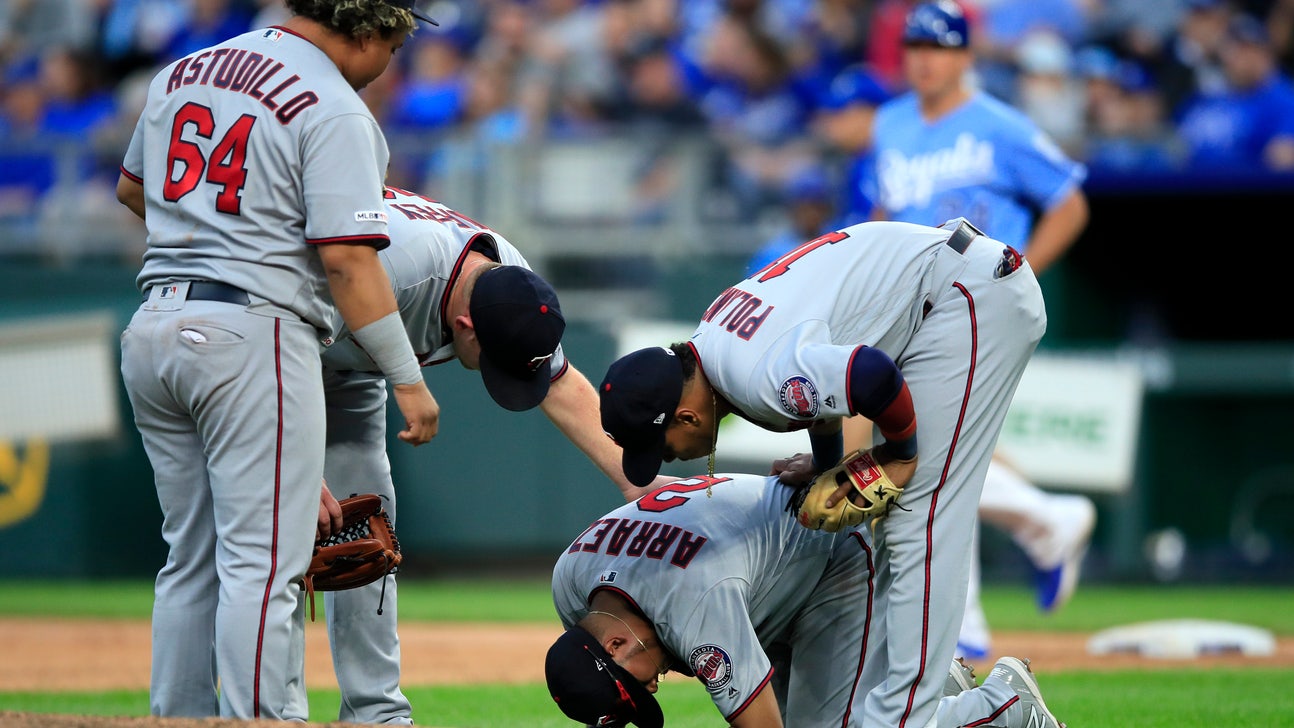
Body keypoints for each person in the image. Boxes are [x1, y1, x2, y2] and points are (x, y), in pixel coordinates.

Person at [114, 1, 440, 719]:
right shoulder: (333, 106)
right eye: (392, 43)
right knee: (264, 565)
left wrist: (209, 240)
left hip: (154, 326)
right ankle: (266, 720)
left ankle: (181, 717)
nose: (389, 64)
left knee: (191, 559)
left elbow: (133, 189)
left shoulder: (182, 71)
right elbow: (350, 261)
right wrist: (408, 380)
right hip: (249, 333)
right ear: (364, 31)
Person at [599, 215, 1048, 727]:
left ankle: (917, 715)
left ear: (686, 416)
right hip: (944, 287)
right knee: (892, 523)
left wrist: (899, 455)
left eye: (664, 447)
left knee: (918, 517)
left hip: (966, 299)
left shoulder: (754, 378)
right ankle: (920, 690)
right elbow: (829, 366)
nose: (670, 459)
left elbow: (869, 374)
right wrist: (828, 463)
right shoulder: (715, 343)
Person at [316, 185, 675, 724]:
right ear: (466, 326)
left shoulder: (511, 285)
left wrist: (642, 486)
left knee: (366, 532)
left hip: (352, 362)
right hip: (275, 337)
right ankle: (246, 714)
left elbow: (559, 384)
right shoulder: (398, 268)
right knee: (261, 541)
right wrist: (291, 470)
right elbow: (276, 338)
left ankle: (376, 715)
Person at [868, 0, 1096, 660]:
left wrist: (1020, 271)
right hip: (917, 305)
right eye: (915, 45)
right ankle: (1044, 523)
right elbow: (885, 212)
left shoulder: (1000, 125)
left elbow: (1070, 204)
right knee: (927, 452)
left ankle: (969, 618)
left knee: (928, 450)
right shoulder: (891, 123)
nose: (925, 57)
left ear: (967, 56)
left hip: (980, 302)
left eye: (939, 47)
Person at [545, 471, 1065, 728]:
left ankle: (1008, 706)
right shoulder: (572, 585)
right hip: (765, 576)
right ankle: (925, 689)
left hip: (830, 555)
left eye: (639, 685)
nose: (654, 685)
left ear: (614, 643)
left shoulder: (695, 603)